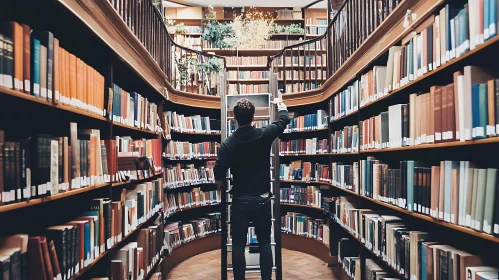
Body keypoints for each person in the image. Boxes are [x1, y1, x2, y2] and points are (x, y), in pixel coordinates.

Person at [214, 98, 290, 280]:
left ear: (234, 118)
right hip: (262, 199)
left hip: (240, 200)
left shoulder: (227, 144)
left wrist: (221, 185)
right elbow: (283, 121)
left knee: (239, 244)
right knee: (264, 241)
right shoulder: (264, 134)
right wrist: (280, 104)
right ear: (253, 117)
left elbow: (218, 173)